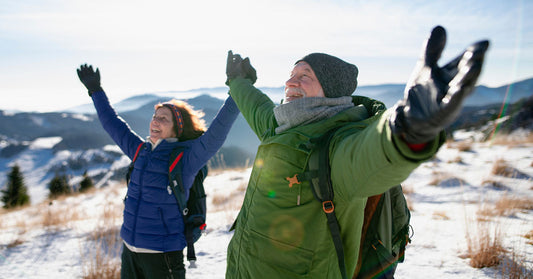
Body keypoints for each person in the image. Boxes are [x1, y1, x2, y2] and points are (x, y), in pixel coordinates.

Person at [223, 26, 489, 279]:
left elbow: (369, 154)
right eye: (292, 74)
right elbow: (255, 106)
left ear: (330, 90)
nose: (290, 82)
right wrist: (238, 81)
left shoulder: (336, 144)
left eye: (305, 75)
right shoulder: (282, 126)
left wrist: (407, 128)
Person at [76, 64, 240, 279]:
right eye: (155, 116)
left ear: (177, 129)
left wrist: (237, 89)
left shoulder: (186, 158)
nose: (155, 121)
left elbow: (217, 132)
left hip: (163, 256)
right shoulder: (139, 151)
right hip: (130, 252)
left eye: (164, 118)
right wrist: (95, 91)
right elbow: (112, 123)